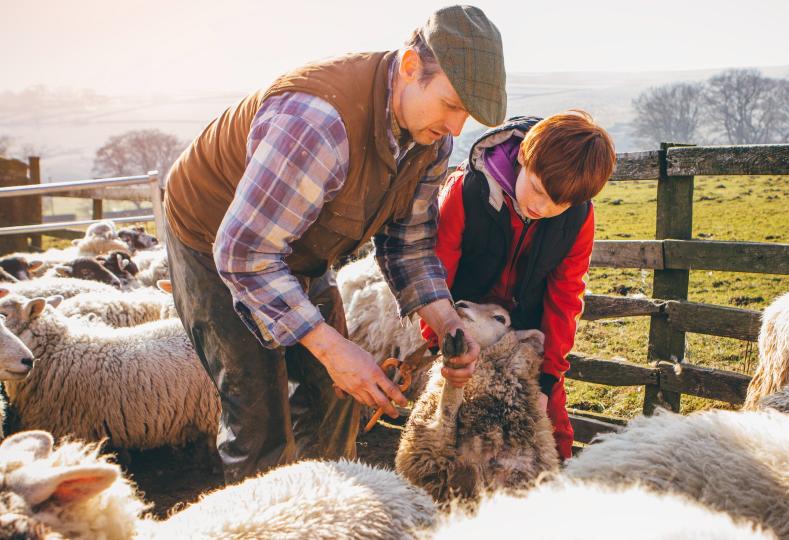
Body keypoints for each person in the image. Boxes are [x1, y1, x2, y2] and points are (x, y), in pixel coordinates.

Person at [162, 5, 505, 483]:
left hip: (302, 242)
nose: (455, 127)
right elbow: (244, 254)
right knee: (259, 414)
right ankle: (261, 523)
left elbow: (409, 243)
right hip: (216, 243)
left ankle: (325, 511)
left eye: (466, 115)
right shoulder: (317, 122)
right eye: (451, 104)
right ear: (410, 67)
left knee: (337, 395)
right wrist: (334, 349)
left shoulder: (432, 142)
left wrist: (448, 323)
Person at [421, 111, 616, 459]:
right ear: (524, 155)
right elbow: (438, 267)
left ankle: (556, 494)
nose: (542, 207)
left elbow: (566, 296)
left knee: (549, 428)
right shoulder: (468, 191)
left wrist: (548, 379)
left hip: (527, 331)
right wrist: (438, 336)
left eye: (560, 203)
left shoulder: (577, 219)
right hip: (466, 324)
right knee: (452, 425)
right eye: (538, 190)